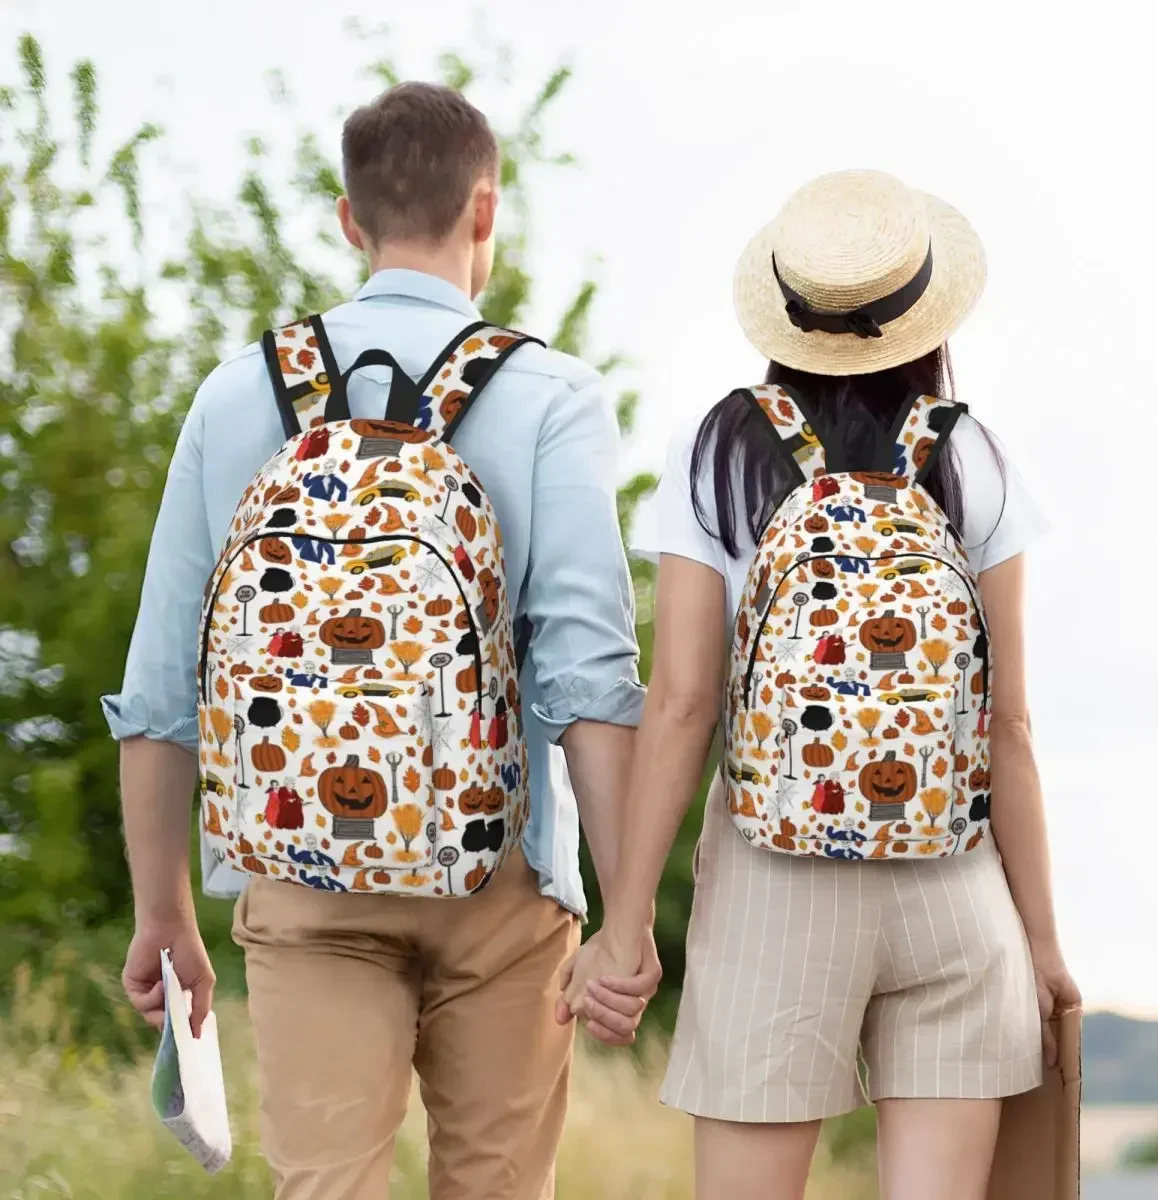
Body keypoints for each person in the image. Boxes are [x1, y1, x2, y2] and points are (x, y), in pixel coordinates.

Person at [104, 81, 660, 1200]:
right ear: (485, 212)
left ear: (350, 220)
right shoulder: (551, 394)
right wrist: (627, 915)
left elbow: (164, 684)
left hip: (299, 866)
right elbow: (590, 679)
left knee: (326, 1186)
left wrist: (163, 912)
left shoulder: (236, 395)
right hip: (500, 874)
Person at [560, 169, 1080, 1199]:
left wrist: (624, 927)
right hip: (954, 883)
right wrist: (1043, 943)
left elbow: (682, 705)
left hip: (774, 881)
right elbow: (1009, 726)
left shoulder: (718, 449)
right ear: (925, 315)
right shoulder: (973, 455)